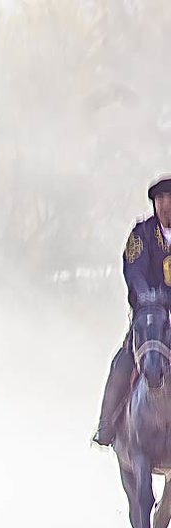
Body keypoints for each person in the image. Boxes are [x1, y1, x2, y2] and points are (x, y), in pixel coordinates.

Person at [94, 174, 171, 446]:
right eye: (160, 199)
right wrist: (148, 296)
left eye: (170, 199)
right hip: (149, 316)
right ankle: (106, 424)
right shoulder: (142, 234)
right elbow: (133, 268)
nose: (165, 205)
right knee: (122, 362)